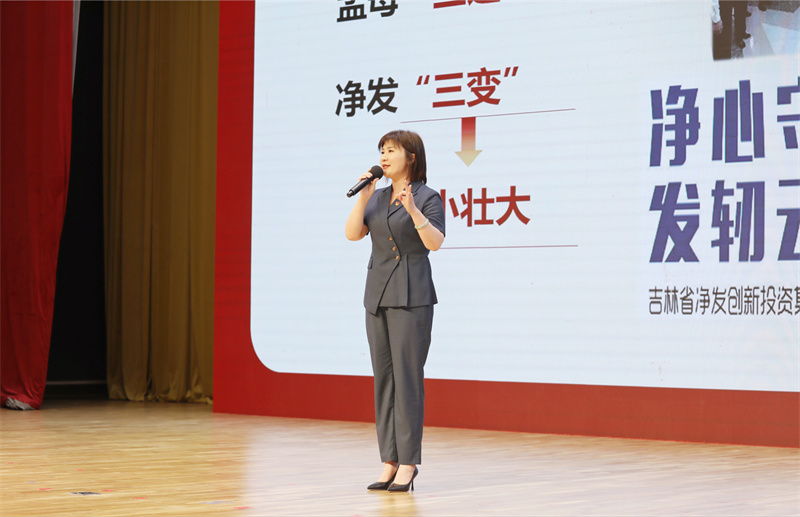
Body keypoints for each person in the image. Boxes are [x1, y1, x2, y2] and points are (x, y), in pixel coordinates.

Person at [345, 130, 445, 492]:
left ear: (411, 157)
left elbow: (435, 242)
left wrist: (414, 211)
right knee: (384, 380)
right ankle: (388, 459)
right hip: (377, 296)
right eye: (381, 151)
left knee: (407, 380)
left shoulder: (428, 197)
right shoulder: (377, 196)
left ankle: (408, 462)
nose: (384, 157)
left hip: (411, 296)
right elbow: (352, 234)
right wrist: (364, 197)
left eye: (391, 151)